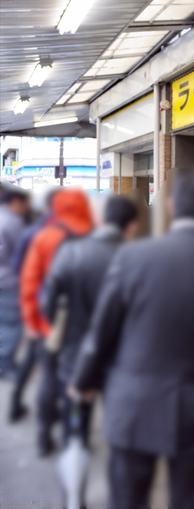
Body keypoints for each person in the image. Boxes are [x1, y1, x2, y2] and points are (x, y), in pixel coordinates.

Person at [71, 166, 194, 509]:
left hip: (132, 405)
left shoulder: (132, 257)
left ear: (170, 206)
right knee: (193, 499)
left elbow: (102, 331)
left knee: (126, 499)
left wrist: (83, 379)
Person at [41, 194, 139, 447]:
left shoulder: (71, 252)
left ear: (102, 218)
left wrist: (61, 328)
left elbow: (47, 303)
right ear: (132, 226)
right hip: (120, 359)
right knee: (120, 422)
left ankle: (77, 447)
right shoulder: (137, 260)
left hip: (75, 353)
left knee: (75, 414)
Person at [20, 187, 93, 456]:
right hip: (83, 326)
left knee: (49, 379)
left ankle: (43, 438)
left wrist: (31, 320)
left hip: (46, 323)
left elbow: (30, 282)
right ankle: (75, 439)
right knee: (80, 381)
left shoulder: (44, 237)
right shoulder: (93, 237)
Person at [8, 188, 58, 422]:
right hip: (56, 306)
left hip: (33, 300)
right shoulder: (65, 234)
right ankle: (45, 427)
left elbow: (18, 267)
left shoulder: (30, 232)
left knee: (32, 357)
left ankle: (16, 403)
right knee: (49, 364)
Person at [0, 186, 30, 379]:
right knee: (11, 324)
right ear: (15, 202)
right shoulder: (13, 221)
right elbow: (23, 254)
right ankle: (5, 366)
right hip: (9, 279)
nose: (26, 208)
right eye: (24, 205)